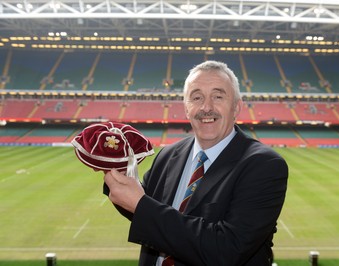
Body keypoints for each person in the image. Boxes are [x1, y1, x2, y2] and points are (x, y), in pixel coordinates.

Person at [104, 60, 289, 266]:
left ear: (236, 107)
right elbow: (142, 209)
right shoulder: (168, 155)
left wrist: (141, 204)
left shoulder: (264, 165)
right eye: (196, 97)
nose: (206, 107)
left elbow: (227, 250)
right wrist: (113, 164)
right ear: (186, 108)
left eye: (218, 96)